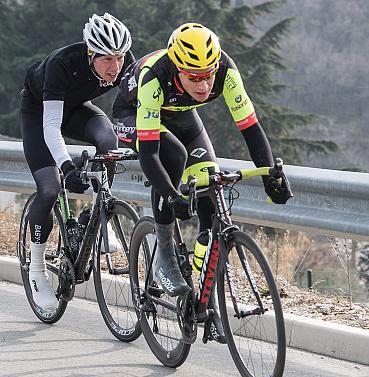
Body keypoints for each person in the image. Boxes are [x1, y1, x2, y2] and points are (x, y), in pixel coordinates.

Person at [111, 23, 290, 303]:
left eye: (208, 76)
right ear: (178, 69)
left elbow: (250, 128)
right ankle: (165, 258)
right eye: (194, 78)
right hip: (132, 113)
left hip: (181, 112)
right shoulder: (154, 77)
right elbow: (150, 155)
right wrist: (172, 197)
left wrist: (270, 175)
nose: (204, 85)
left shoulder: (226, 71)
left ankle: (203, 287)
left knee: (210, 180)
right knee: (173, 153)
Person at [20, 13, 134, 314]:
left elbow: (135, 109)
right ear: (90, 53)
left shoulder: (124, 64)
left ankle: (97, 214)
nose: (115, 67)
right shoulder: (62, 64)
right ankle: (36, 270)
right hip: (40, 113)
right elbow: (51, 127)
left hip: (77, 109)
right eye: (107, 59)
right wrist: (67, 167)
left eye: (120, 58)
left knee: (109, 142)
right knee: (49, 188)